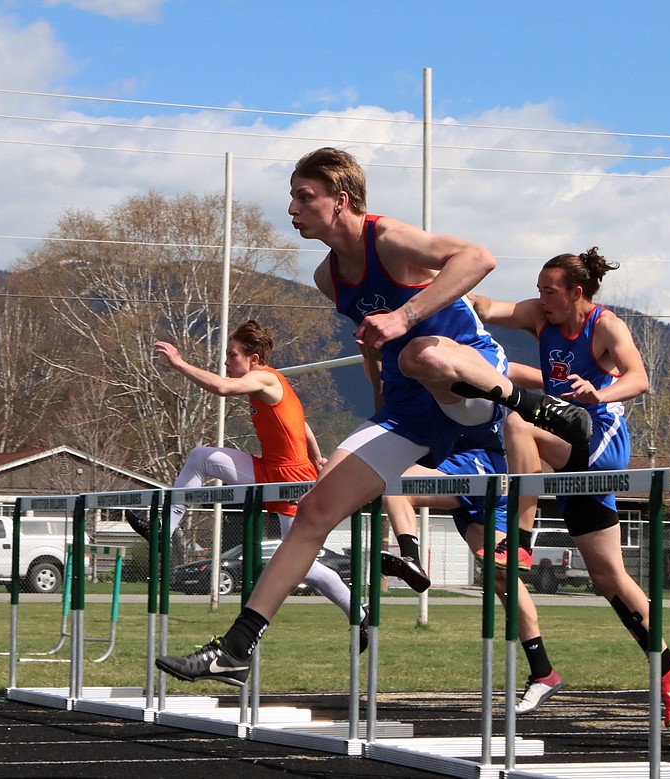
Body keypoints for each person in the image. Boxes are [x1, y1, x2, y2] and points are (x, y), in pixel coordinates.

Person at [155, 147, 591, 687]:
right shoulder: (328, 277)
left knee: (421, 353)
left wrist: (405, 314)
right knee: (315, 508)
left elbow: (479, 258)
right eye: (290, 196)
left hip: (469, 380)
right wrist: (382, 401)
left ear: (341, 201)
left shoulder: (386, 239)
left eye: (303, 196)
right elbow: (375, 342)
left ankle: (540, 408)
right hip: (412, 408)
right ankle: (238, 647)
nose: (291, 208)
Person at [469, 248, 670, 728]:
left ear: (576, 293)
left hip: (597, 434)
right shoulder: (539, 318)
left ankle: (520, 538)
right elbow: (485, 307)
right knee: (609, 578)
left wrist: (598, 393)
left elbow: (640, 378)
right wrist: (424, 287)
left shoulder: (606, 326)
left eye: (549, 291)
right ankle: (666, 660)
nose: (541, 300)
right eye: (539, 290)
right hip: (565, 448)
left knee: (518, 422)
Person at [136, 320, 366, 649]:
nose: (227, 363)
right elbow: (300, 422)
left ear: (253, 359)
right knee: (201, 456)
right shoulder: (265, 385)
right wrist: (317, 457)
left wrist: (179, 363)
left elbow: (222, 388)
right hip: (269, 468)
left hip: (290, 478)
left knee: (301, 564)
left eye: (232, 356)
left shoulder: (266, 378)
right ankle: (164, 529)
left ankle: (357, 610)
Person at [383, 451, 566, 713]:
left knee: (395, 486)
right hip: (472, 471)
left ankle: (410, 558)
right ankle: (543, 671)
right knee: (501, 577)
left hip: (477, 464)